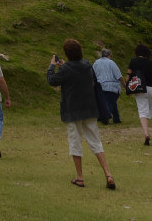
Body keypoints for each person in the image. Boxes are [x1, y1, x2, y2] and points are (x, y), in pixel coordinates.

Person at [47, 39, 115, 190]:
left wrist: (52, 65)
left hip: (72, 110)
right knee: (96, 141)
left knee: (75, 141)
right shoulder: (87, 65)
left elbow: (52, 80)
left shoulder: (66, 69)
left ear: (67, 53)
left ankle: (80, 177)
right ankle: (108, 174)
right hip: (90, 108)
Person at [126, 43, 152, 145]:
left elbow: (128, 75)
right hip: (151, 88)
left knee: (143, 112)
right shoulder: (150, 62)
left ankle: (146, 133)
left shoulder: (133, 61)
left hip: (140, 89)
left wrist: (127, 89)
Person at [92, 48, 123, 124]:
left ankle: (117, 119)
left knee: (111, 103)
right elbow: (119, 76)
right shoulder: (111, 62)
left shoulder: (96, 63)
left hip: (100, 87)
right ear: (109, 55)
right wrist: (125, 85)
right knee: (110, 103)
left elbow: (92, 74)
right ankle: (105, 119)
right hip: (112, 87)